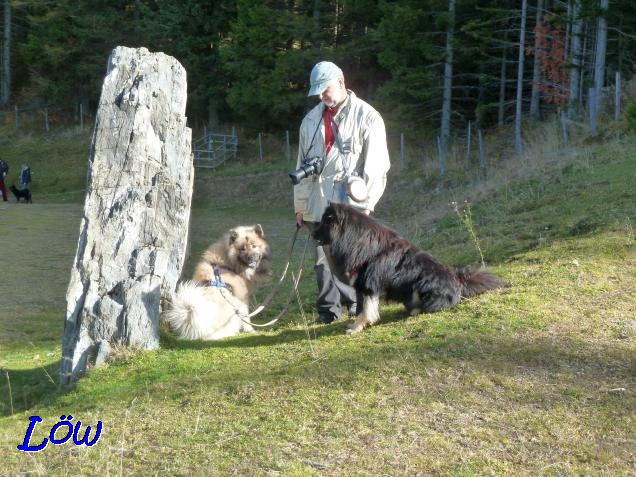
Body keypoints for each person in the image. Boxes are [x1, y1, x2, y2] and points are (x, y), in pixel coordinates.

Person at [292, 61, 391, 324]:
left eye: (325, 89)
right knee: (322, 258)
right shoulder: (310, 120)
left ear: (341, 81)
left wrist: (366, 203)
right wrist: (300, 205)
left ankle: (357, 307)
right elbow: (301, 163)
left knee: (352, 258)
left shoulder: (368, 117)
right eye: (318, 92)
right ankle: (327, 311)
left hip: (350, 206)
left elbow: (377, 165)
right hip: (318, 201)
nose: (322, 96)